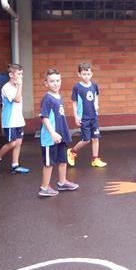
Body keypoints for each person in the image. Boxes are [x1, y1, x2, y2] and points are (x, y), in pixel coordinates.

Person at [38, 68, 80, 197]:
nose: (55, 83)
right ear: (46, 83)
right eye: (52, 81)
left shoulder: (59, 97)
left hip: (61, 136)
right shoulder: (47, 99)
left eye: (57, 80)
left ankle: (62, 182)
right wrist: (52, 133)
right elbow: (44, 117)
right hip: (50, 138)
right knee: (49, 163)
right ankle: (44, 187)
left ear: (61, 81)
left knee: (63, 160)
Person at [0, 63, 31, 176]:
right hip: (9, 121)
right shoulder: (6, 88)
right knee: (12, 143)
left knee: (18, 143)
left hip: (18, 120)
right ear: (11, 75)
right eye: (19, 74)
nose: (21, 76)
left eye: (22, 74)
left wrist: (18, 86)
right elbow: (17, 99)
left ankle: (15, 166)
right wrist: (20, 86)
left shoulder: (16, 86)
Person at [67, 62, 107, 168]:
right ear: (79, 74)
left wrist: (96, 104)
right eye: (84, 74)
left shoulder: (94, 85)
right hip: (84, 118)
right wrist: (76, 116)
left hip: (94, 116)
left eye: (88, 74)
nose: (86, 76)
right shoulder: (77, 87)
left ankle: (95, 159)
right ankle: (72, 151)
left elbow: (96, 95)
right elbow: (74, 102)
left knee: (96, 138)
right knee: (86, 140)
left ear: (92, 74)